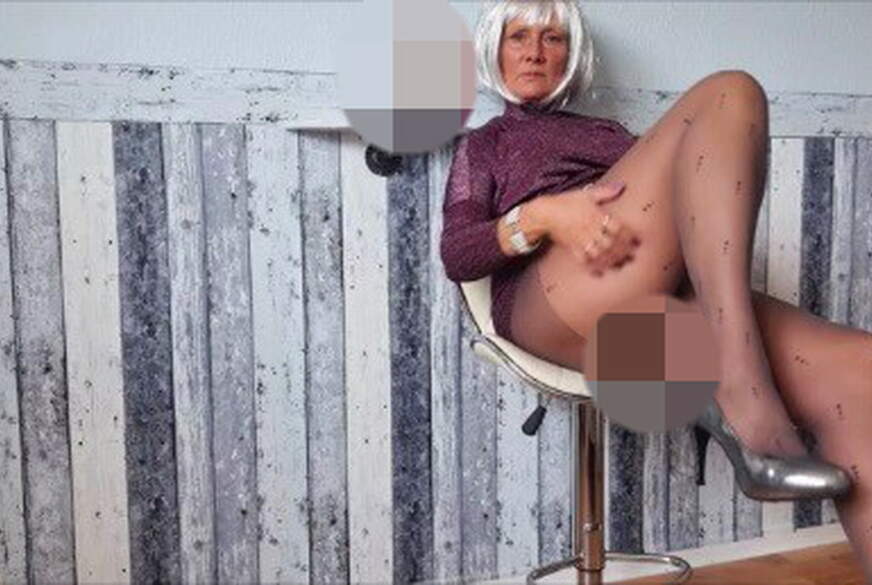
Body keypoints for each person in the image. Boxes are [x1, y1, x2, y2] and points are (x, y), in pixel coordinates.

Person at [439, 0, 872, 578]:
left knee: (861, 369)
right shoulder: (486, 145)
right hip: (556, 302)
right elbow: (458, 253)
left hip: (659, 296)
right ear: (494, 50)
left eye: (553, 38)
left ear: (571, 56)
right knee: (731, 91)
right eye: (519, 37)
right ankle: (741, 396)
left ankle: (737, 382)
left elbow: (689, 212)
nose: (536, 52)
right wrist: (544, 216)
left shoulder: (610, 136)